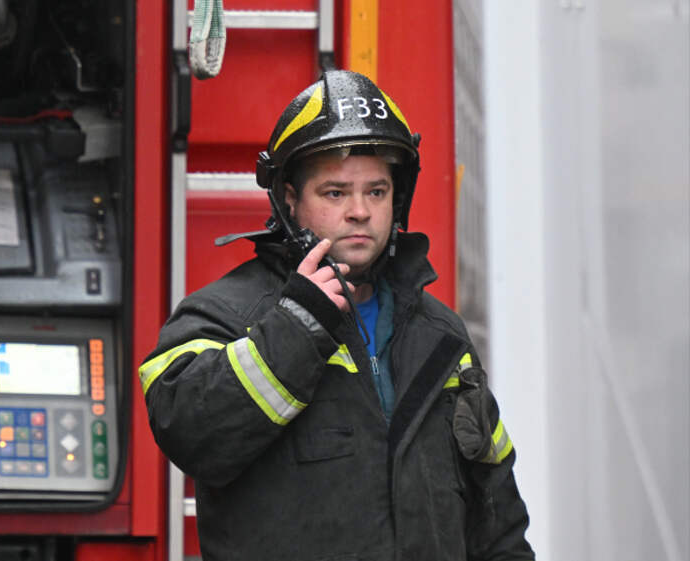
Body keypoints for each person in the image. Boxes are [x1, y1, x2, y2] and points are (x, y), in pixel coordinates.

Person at [139, 70, 534, 560]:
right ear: (290, 199)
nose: (360, 211)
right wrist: (297, 327)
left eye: (376, 191)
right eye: (335, 193)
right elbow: (191, 434)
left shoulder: (441, 334)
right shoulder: (226, 315)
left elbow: (498, 521)